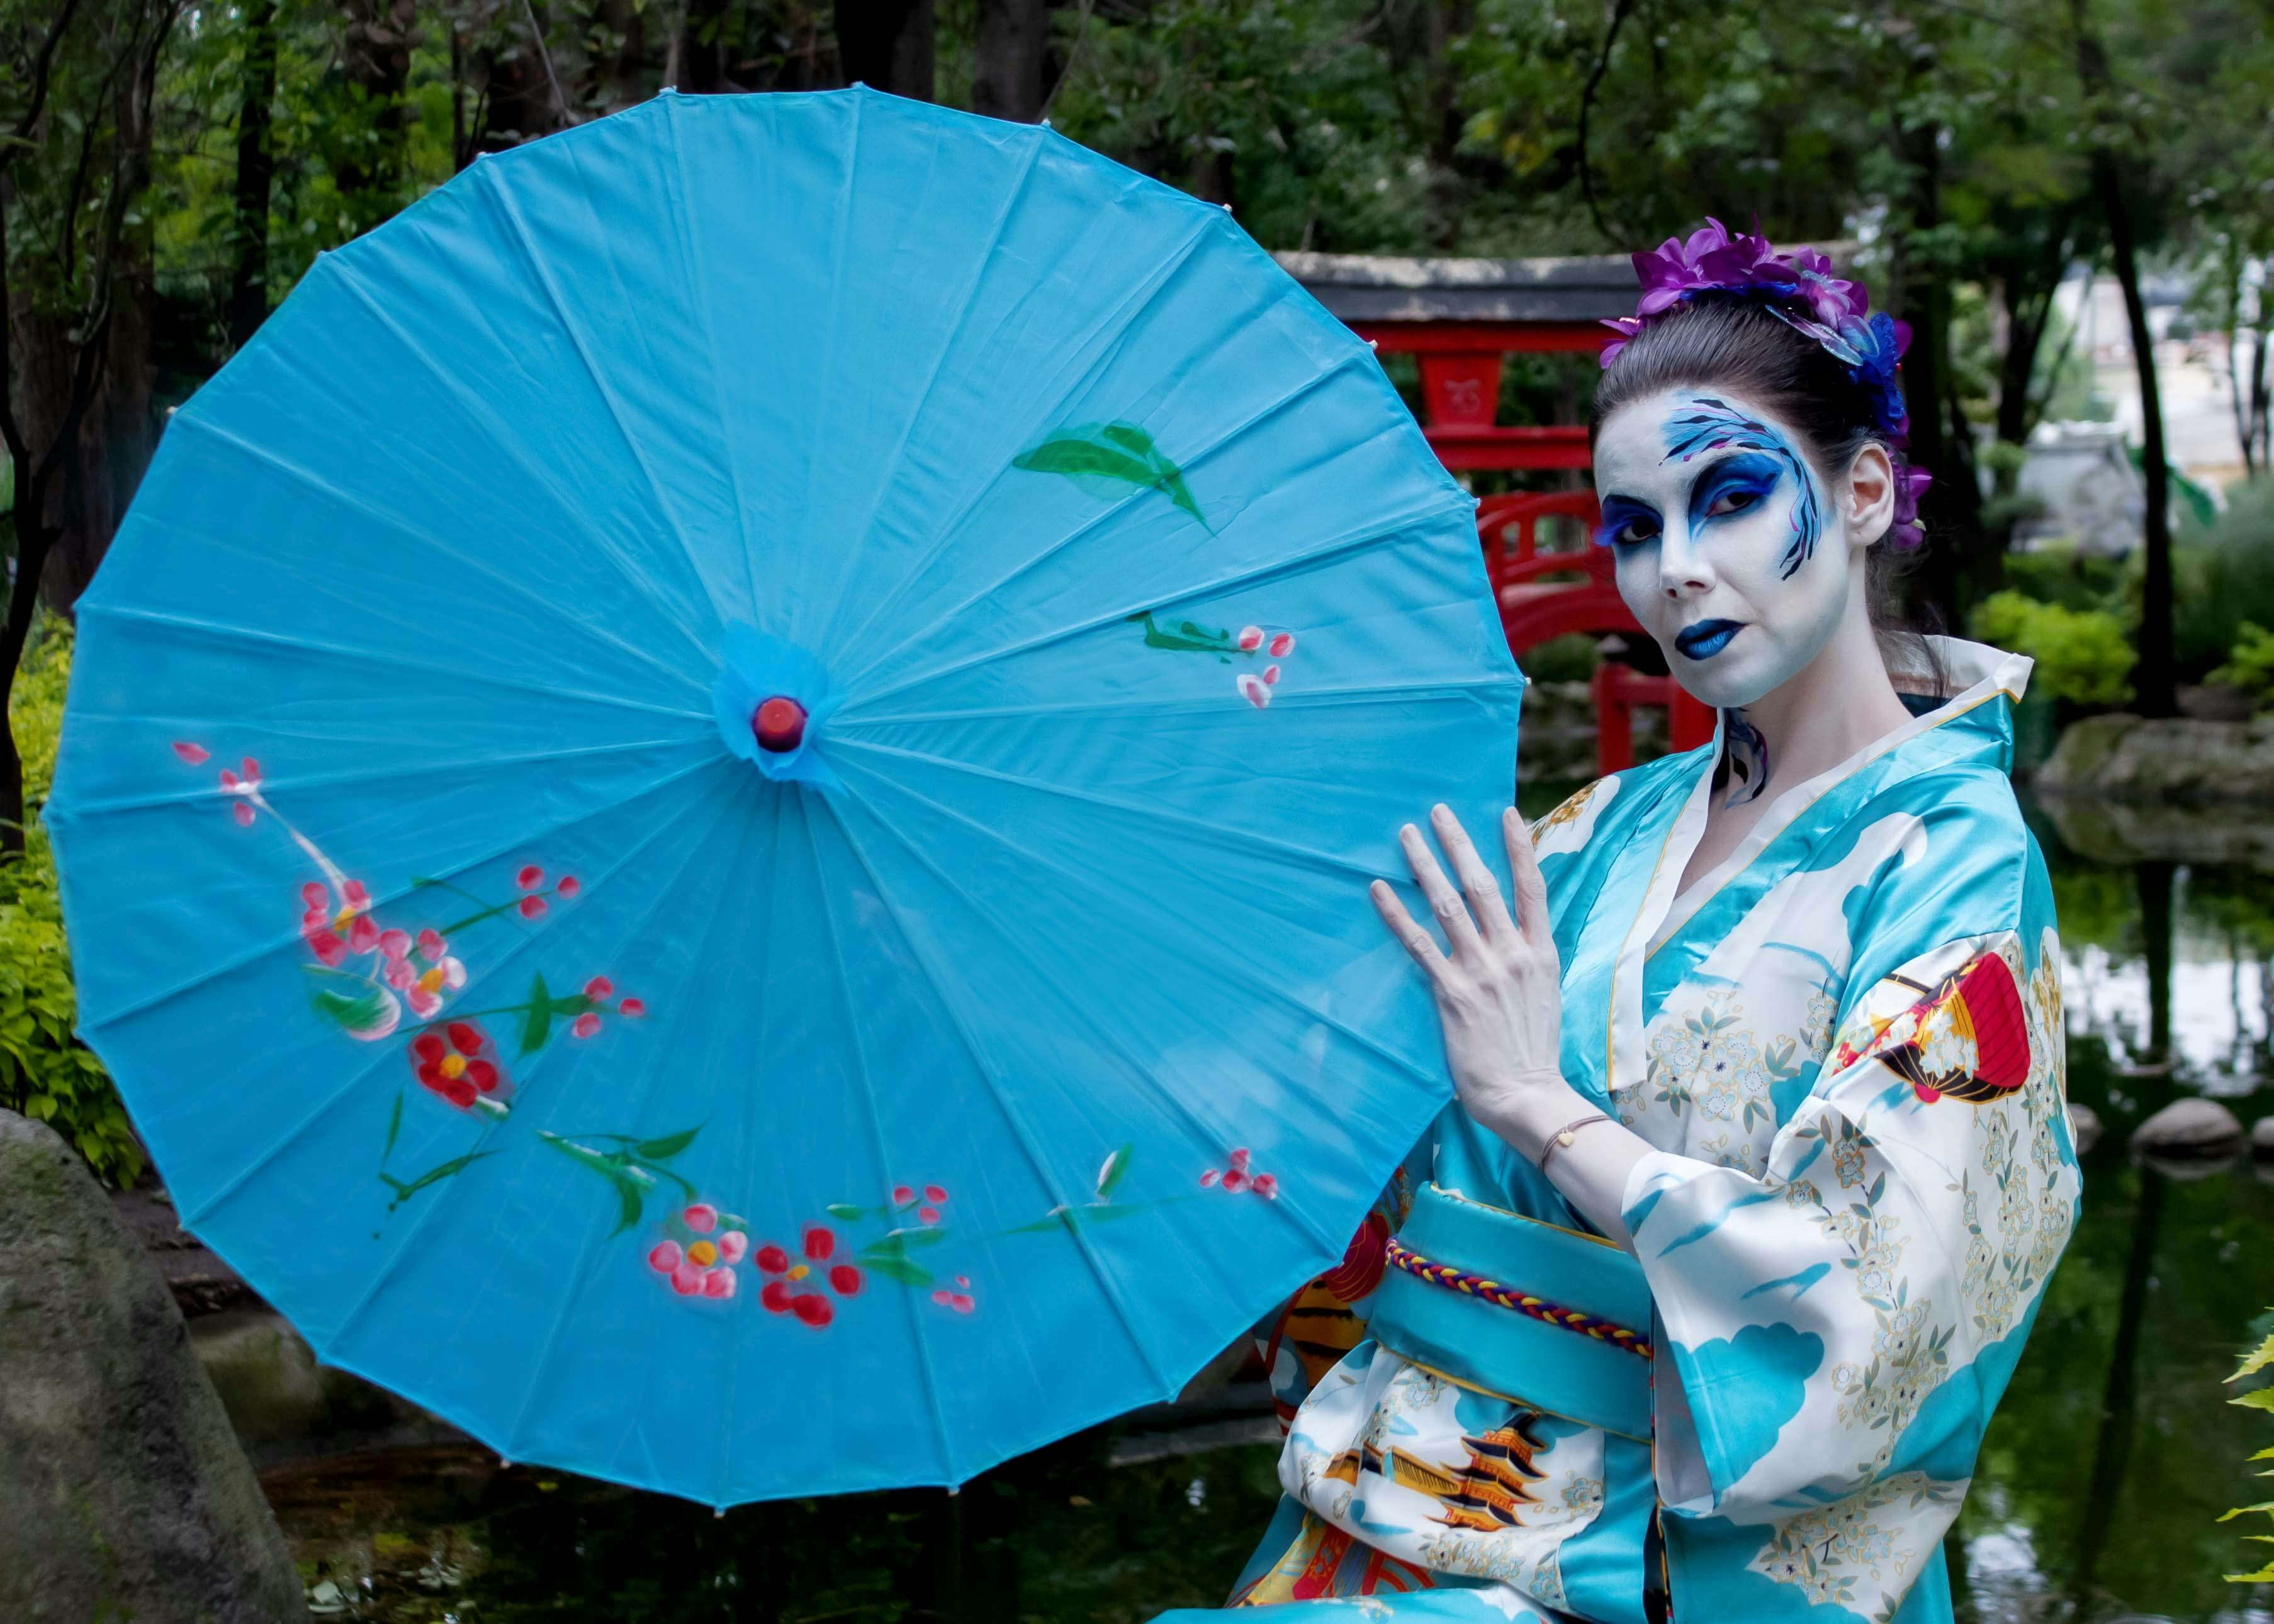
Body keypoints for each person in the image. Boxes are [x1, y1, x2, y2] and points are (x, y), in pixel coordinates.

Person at [1156, 220, 2081, 1623]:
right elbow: (1392, 1161)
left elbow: (1883, 1317)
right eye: (1635, 528)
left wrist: (1541, 1108)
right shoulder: (1594, 832)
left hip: (1679, 1564)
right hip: (1390, 1513)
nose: (1674, 571)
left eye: (1727, 497)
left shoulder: (1954, 865)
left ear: (1868, 490)